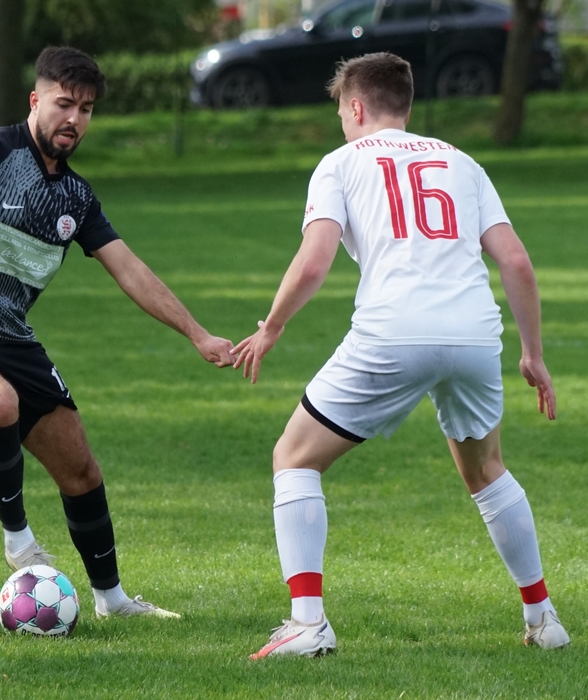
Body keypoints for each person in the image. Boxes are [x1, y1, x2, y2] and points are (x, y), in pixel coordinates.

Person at [233, 52, 569, 658]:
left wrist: (272, 326)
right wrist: (533, 354)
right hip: (474, 334)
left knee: (294, 457)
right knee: (486, 471)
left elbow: (314, 260)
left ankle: (307, 623)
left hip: (393, 332)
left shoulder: (339, 164)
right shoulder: (463, 162)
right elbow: (516, 261)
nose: (342, 123)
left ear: (357, 106)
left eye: (341, 112)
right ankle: (543, 618)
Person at [0, 47, 234, 619]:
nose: (74, 119)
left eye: (86, 109)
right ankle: (18, 540)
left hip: (11, 338)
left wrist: (198, 334)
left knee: (80, 467)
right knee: (0, 403)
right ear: (35, 100)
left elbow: (131, 270)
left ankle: (113, 601)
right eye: (64, 104)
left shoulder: (77, 196)